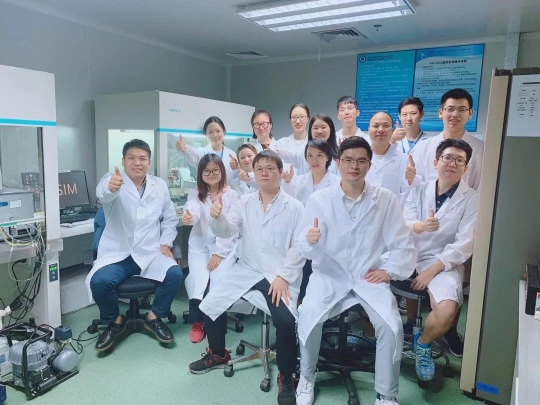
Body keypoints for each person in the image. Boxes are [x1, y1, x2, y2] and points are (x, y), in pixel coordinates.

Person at [295, 137, 417, 405]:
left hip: (368, 275)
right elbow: (304, 246)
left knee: (391, 325)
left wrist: (389, 271)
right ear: (338, 163)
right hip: (329, 275)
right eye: (348, 160)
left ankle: (386, 393)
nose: (354, 166)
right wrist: (310, 240)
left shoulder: (385, 200)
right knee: (308, 315)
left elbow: (402, 243)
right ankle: (307, 376)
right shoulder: (319, 199)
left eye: (361, 161)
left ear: (369, 165)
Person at [188, 150, 305, 405]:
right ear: (254, 173)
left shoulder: (295, 207)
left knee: (286, 322)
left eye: (270, 168)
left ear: (280, 172)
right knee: (210, 303)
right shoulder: (245, 202)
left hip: (278, 274)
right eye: (259, 169)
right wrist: (217, 217)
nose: (264, 173)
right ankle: (218, 353)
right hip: (248, 269)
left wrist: (284, 276)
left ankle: (286, 376)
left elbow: (299, 247)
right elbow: (228, 230)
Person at [86, 139, 184, 352]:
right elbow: (104, 193)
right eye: (131, 158)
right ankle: (115, 321)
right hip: (120, 254)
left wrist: (165, 243)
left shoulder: (159, 185)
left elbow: (169, 218)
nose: (137, 163)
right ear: (123, 161)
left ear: (149, 162)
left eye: (142, 158)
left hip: (150, 252)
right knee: (99, 281)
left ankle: (153, 317)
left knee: (175, 274)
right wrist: (111, 187)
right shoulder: (112, 181)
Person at [403, 139, 478, 383]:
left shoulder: (472, 199)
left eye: (459, 160)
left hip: (443, 261)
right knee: (367, 281)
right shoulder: (419, 189)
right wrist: (420, 226)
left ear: (466, 168)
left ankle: (423, 343)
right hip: (409, 253)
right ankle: (376, 341)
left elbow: (465, 243)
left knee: (446, 311)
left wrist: (432, 270)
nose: (452, 163)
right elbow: (404, 221)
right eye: (448, 158)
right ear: (436, 162)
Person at [182, 154, 239, 344]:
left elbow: (232, 228)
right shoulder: (196, 193)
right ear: (200, 173)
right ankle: (197, 321)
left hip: (224, 247)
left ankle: (216, 327)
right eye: (207, 171)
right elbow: (193, 209)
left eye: (215, 170)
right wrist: (189, 216)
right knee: (197, 279)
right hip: (200, 244)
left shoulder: (232, 195)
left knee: (217, 281)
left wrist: (219, 253)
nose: (211, 174)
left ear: (222, 171)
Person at [286, 139, 340, 300]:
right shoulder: (298, 181)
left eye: (319, 155)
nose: (314, 160)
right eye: (310, 155)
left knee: (320, 286)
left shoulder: (337, 183)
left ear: (328, 157)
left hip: (326, 239)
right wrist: (287, 184)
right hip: (301, 237)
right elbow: (291, 207)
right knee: (300, 281)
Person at [411, 88, 484, 190]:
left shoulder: (481, 149)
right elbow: (414, 184)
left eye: (462, 109)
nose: (455, 115)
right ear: (440, 113)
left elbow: (481, 187)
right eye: (450, 109)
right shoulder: (423, 147)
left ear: (470, 113)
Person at [366, 112, 420, 205]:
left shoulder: (404, 159)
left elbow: (409, 194)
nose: (380, 130)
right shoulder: (359, 158)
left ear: (392, 130)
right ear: (368, 130)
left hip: (390, 211)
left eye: (386, 126)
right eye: (376, 126)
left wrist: (411, 180)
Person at [176, 116, 238, 184]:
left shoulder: (233, 155)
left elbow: (239, 180)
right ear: (205, 134)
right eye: (210, 132)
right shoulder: (202, 153)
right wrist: (184, 148)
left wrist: (238, 168)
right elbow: (193, 156)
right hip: (207, 191)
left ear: (224, 131)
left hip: (228, 190)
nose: (214, 135)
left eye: (218, 131)